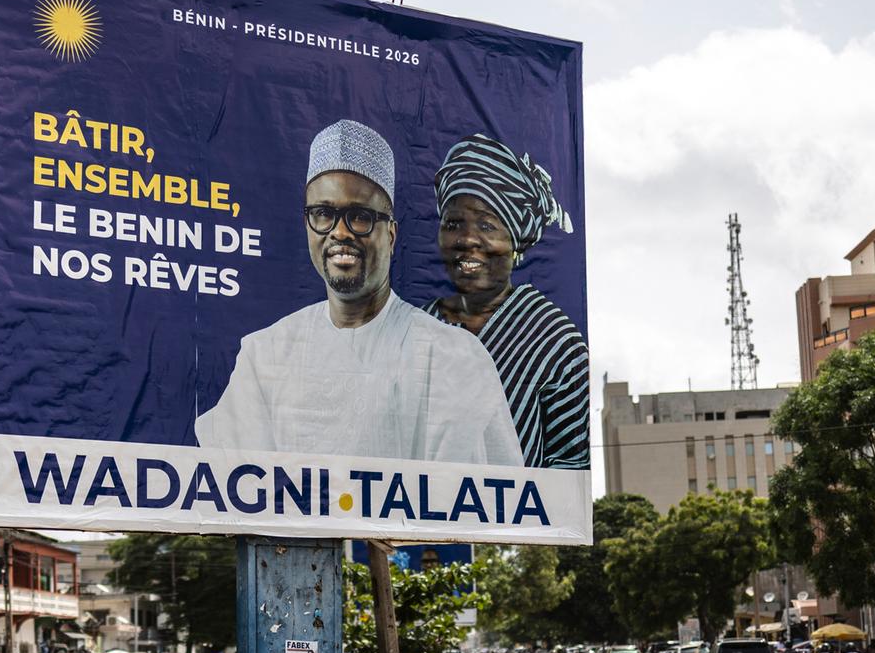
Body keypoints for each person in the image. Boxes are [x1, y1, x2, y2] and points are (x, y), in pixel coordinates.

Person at [195, 119, 523, 465]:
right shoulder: (265, 356)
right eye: (323, 214)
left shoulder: (450, 358)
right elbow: (240, 491)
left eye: (360, 216)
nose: (340, 232)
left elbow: (481, 501)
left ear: (391, 235)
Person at [422, 133, 588, 469]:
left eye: (487, 225)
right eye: (454, 223)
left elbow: (570, 473)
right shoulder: (417, 329)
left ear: (516, 240)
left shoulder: (555, 342)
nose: (468, 239)